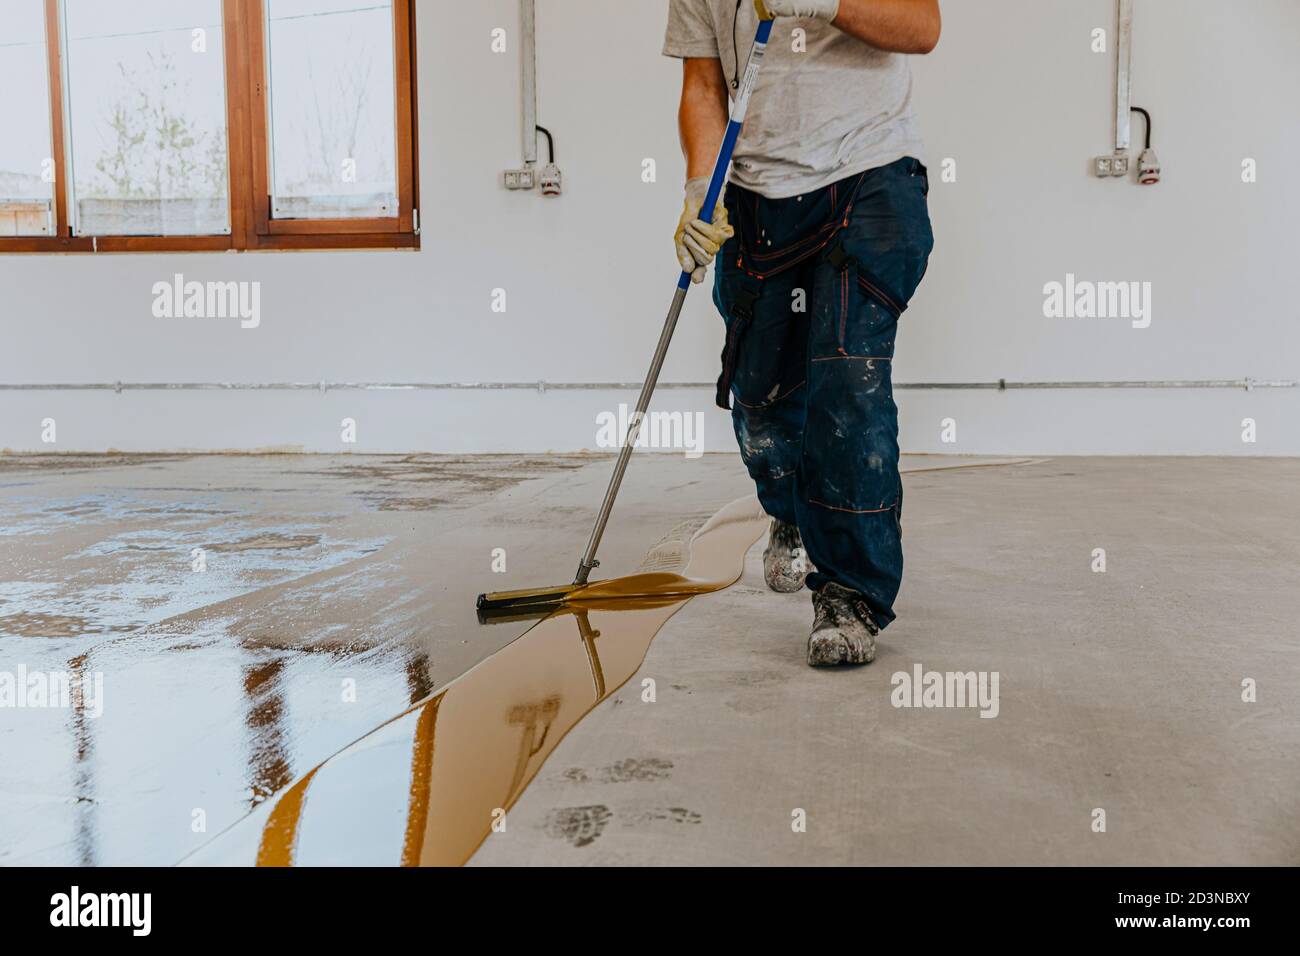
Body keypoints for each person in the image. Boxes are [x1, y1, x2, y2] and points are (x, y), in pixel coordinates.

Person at [664, 0, 940, 666]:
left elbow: (922, 28)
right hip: (758, 192)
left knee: (848, 379)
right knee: (760, 400)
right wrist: (703, 188)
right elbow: (703, 85)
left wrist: (823, 1)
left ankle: (851, 592)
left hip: (867, 174)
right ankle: (791, 507)